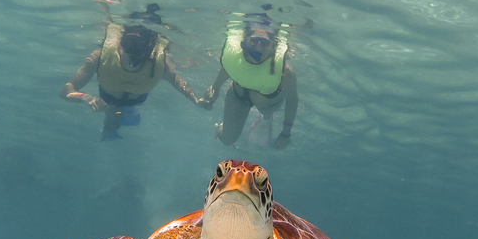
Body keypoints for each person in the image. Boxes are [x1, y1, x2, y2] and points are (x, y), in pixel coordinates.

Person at [61, 20, 201, 140]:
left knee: (114, 112)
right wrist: (86, 98)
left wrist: (195, 99)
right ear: (121, 43)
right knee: (112, 114)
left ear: (149, 47)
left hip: (134, 99)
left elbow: (177, 80)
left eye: (138, 46)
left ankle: (121, 117)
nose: (132, 52)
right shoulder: (99, 58)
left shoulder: (157, 65)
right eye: (129, 43)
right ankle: (111, 132)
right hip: (109, 99)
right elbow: (66, 90)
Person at [197, 21, 299, 150]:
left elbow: (292, 100)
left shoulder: (285, 71)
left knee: (266, 112)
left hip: (268, 104)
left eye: (266, 43)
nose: (258, 48)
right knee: (227, 140)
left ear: (274, 47)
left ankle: (266, 118)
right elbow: (229, 67)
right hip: (238, 95)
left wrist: (286, 134)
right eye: (254, 41)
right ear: (245, 42)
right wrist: (215, 87)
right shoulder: (236, 56)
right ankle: (222, 126)